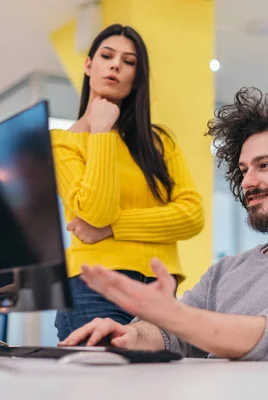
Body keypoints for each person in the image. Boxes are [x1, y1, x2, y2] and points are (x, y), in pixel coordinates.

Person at [59, 88, 268, 363]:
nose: (248, 182)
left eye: (264, 166)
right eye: (243, 171)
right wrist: (130, 334)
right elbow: (173, 335)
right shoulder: (225, 272)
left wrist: (173, 314)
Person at [50, 24, 204, 340]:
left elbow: (191, 216)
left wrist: (113, 229)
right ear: (89, 65)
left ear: (136, 77)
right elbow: (96, 212)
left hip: (160, 290)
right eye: (107, 56)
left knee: (156, 388)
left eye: (129, 61)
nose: (116, 65)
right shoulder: (62, 143)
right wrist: (101, 132)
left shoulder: (161, 142)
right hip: (93, 287)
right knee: (99, 387)